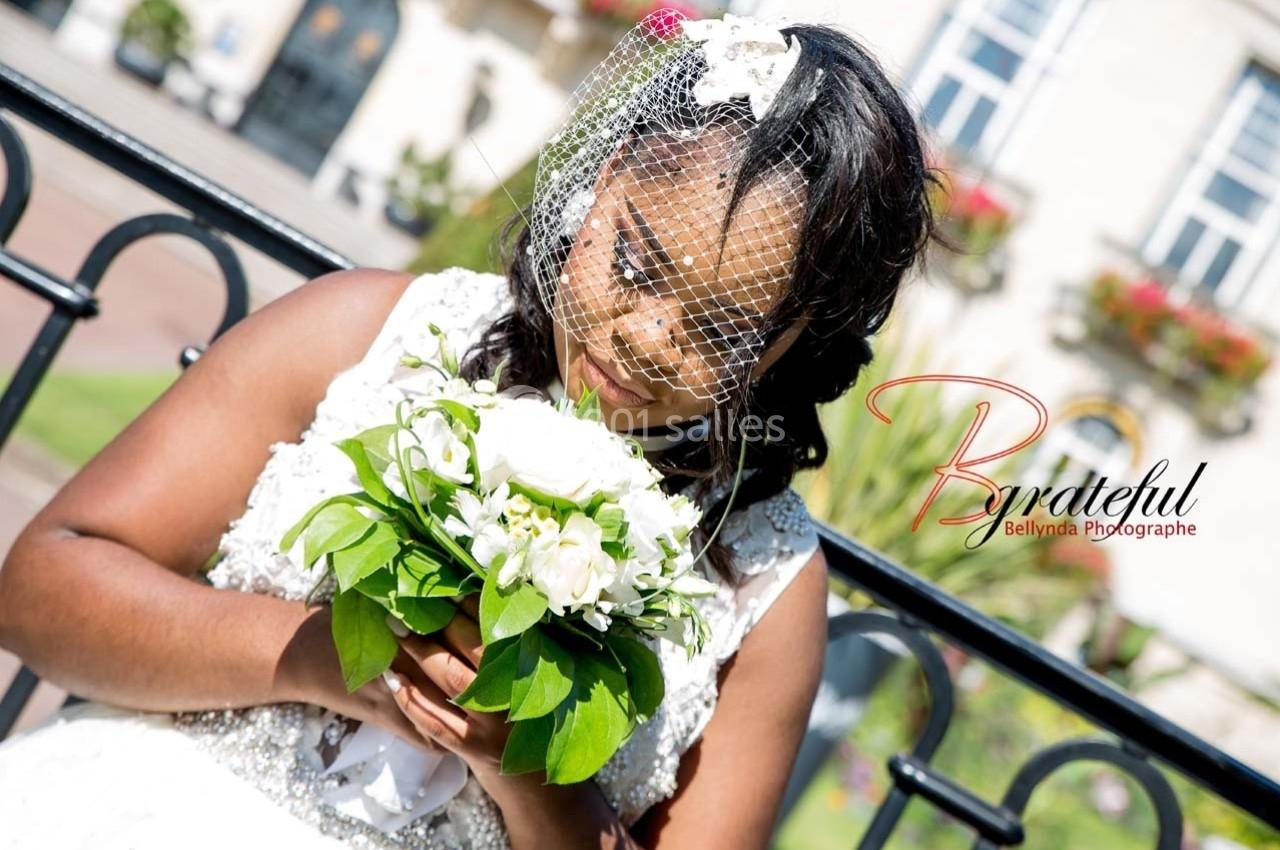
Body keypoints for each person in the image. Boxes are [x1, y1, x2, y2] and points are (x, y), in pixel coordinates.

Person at [0, 12, 937, 850]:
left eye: (718, 328)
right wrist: (326, 658)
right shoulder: (370, 336)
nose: (647, 338)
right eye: (638, 263)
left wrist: (529, 774)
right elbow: (40, 590)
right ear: (603, 181)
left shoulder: (762, 587)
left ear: (787, 344)